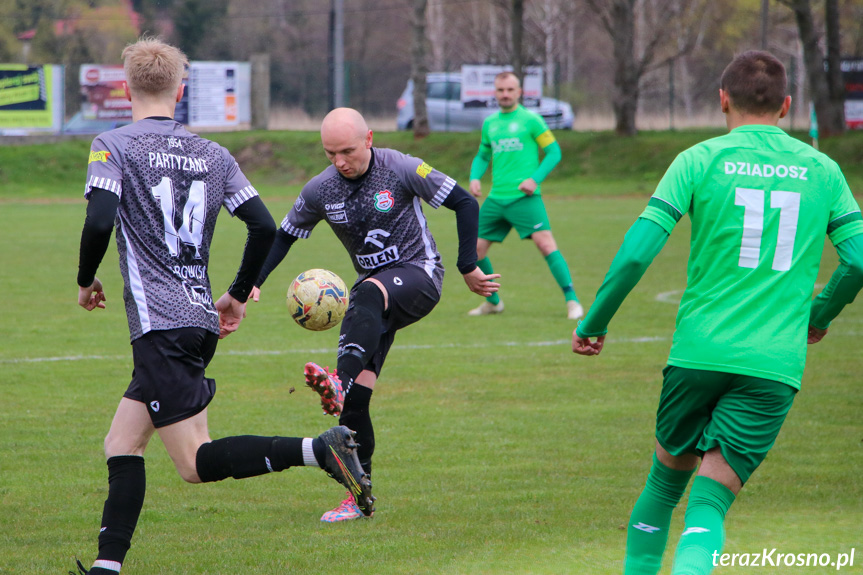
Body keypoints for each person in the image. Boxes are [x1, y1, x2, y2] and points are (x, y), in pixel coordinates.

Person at [72, 38, 372, 575]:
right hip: (196, 318)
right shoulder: (213, 154)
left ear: (126, 88)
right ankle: (106, 566)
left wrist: (84, 279)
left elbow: (99, 220)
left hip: (160, 326)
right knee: (121, 441)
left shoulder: (111, 144)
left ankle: (319, 449)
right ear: (180, 90)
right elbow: (262, 224)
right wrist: (235, 293)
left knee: (193, 463)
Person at [572, 50, 863, 575]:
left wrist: (594, 321)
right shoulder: (824, 169)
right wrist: (820, 313)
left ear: (722, 99)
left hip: (698, 352)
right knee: (709, 505)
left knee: (663, 487)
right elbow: (859, 259)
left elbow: (637, 252)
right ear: (786, 105)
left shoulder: (698, 158)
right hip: (773, 362)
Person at [251, 107, 499, 521]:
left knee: (363, 294)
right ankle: (358, 497)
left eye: (347, 151)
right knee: (355, 404)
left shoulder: (400, 167)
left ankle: (337, 380)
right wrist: (252, 282)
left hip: (420, 275)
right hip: (376, 299)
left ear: (368, 138)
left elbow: (463, 202)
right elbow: (284, 237)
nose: (339, 162)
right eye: (330, 154)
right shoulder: (321, 189)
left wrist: (467, 265)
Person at [467, 71, 582, 319]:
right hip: (496, 199)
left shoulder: (532, 120)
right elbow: (483, 155)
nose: (505, 94)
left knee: (546, 244)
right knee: (473, 251)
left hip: (525, 199)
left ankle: (572, 301)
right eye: (501, 90)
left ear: (519, 92)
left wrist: (534, 179)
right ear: (495, 93)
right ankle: (493, 302)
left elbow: (554, 152)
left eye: (510, 90)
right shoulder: (490, 124)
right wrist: (475, 176)